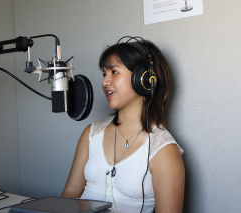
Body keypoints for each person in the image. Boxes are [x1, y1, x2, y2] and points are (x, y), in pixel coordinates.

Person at [61, 37, 185, 213]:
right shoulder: (91, 133)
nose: (105, 82)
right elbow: (70, 193)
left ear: (144, 79)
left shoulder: (163, 149)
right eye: (104, 74)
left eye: (114, 72)